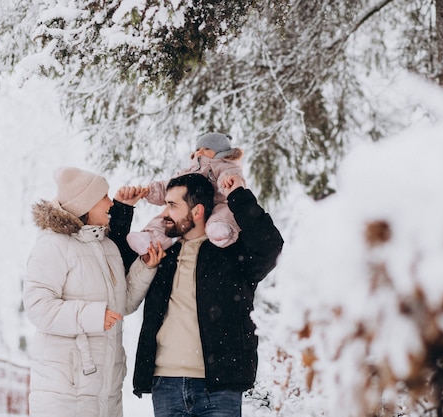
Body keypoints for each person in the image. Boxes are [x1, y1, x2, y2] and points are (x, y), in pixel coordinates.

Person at [130, 172, 284, 417]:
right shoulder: (161, 255)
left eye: (172, 205)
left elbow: (269, 246)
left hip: (218, 386)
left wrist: (238, 196)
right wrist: (123, 210)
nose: (164, 214)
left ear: (197, 211)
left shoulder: (231, 255)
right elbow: (117, 269)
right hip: (165, 384)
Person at [23, 166, 165, 417]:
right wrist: (93, 316)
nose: (111, 203)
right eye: (104, 197)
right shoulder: (53, 245)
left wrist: (145, 268)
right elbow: (38, 307)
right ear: (86, 205)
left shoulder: (107, 247)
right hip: (65, 390)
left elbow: (120, 307)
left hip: (105, 391)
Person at [126, 132, 245, 255]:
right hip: (192, 208)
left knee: (222, 215)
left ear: (222, 152)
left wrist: (226, 182)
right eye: (198, 149)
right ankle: (149, 239)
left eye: (206, 149)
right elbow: (173, 186)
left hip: (220, 203)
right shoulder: (191, 170)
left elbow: (232, 178)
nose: (200, 152)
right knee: (168, 219)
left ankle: (221, 232)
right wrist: (153, 190)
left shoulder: (228, 167)